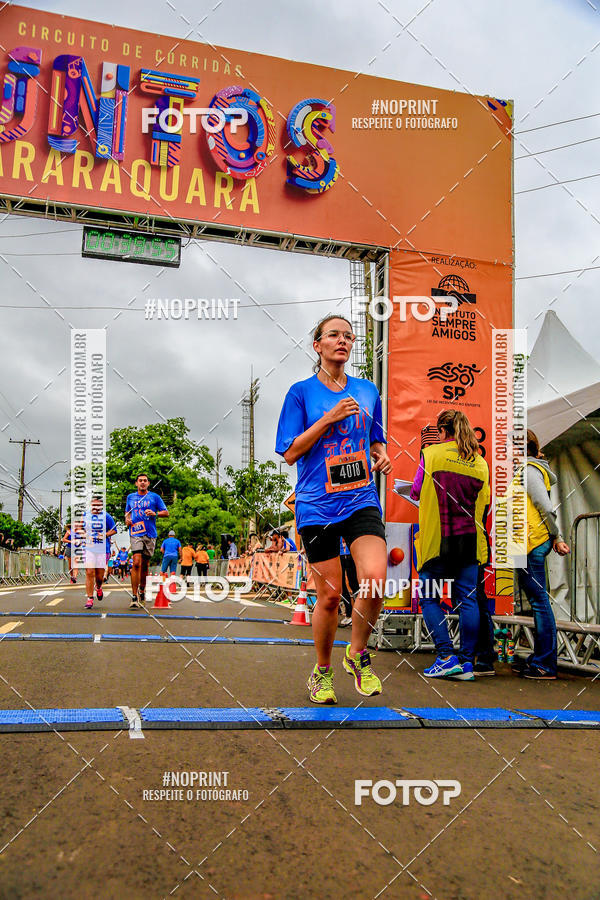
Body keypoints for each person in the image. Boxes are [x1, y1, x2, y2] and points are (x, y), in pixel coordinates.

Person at [276, 314, 392, 704]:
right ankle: (322, 671)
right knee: (328, 596)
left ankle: (357, 654)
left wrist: (381, 455)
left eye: (348, 335)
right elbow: (291, 452)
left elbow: (375, 439)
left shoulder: (368, 390)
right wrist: (328, 418)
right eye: (333, 335)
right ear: (318, 346)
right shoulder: (300, 393)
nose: (342, 341)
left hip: (360, 497)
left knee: (375, 578)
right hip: (317, 504)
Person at [410, 409, 490, 681]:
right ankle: (467, 663)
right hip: (469, 541)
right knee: (468, 601)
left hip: (438, 541)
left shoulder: (431, 454)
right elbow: (485, 503)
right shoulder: (479, 462)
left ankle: (445, 655)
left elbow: (416, 491)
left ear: (443, 432)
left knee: (429, 598)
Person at [511, 430, 570, 679]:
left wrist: (555, 535)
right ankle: (541, 658)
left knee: (539, 602)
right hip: (526, 542)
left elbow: (545, 507)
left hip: (531, 542)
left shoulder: (529, 470)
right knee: (537, 602)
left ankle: (545, 663)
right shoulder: (527, 470)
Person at [125, 473, 169, 608]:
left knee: (144, 565)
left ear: (148, 483)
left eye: (145, 481)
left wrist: (155, 513)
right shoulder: (130, 497)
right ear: (136, 483)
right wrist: (127, 519)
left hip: (150, 533)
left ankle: (142, 590)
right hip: (136, 532)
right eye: (140, 481)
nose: (142, 483)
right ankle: (134, 596)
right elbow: (127, 513)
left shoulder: (154, 497)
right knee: (136, 562)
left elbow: (166, 512)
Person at [80, 497, 117, 609]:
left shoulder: (106, 516)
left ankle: (99, 587)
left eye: (98, 505)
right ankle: (90, 598)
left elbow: (114, 529)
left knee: (99, 576)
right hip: (89, 548)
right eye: (94, 505)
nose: (96, 508)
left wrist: (105, 535)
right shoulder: (85, 516)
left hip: (102, 549)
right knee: (89, 572)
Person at [339, 537, 359, 628]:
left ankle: (358, 615)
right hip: (340, 554)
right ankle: (349, 614)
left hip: (350, 553)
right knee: (342, 584)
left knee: (354, 584)